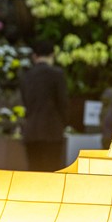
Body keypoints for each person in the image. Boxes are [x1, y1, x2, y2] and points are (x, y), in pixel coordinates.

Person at [19, 39, 68, 172]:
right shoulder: (57, 74)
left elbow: (25, 102)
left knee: (34, 171)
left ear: (34, 56)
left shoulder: (26, 76)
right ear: (52, 55)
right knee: (52, 171)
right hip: (52, 131)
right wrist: (64, 123)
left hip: (31, 131)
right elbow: (62, 103)